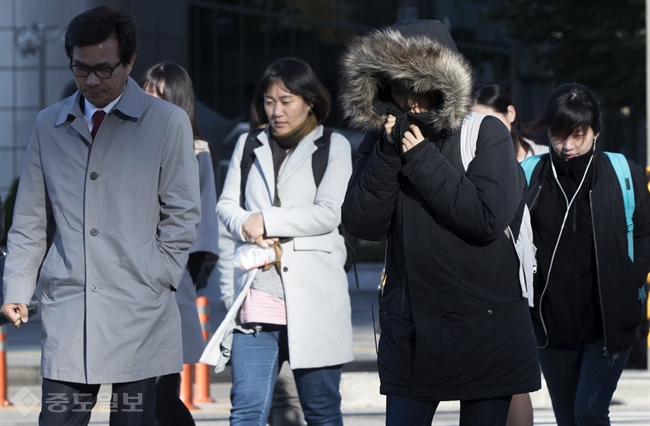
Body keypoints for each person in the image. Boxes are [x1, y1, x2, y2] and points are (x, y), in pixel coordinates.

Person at [1, 6, 201, 426]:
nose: (91, 80)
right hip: (70, 309)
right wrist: (18, 286)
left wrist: (157, 272)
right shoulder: (48, 124)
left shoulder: (167, 122)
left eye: (104, 69)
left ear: (129, 61)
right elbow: (31, 218)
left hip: (139, 310)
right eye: (81, 68)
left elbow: (182, 214)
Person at [339, 20, 541, 425]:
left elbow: (486, 218)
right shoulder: (381, 141)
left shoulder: (485, 132)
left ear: (445, 81)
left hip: (484, 327)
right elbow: (362, 223)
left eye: (420, 84)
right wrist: (388, 154)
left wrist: (423, 160)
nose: (410, 99)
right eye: (399, 85)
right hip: (411, 329)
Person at [201, 57, 354, 425]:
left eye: (287, 101)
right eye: (270, 101)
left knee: (322, 413)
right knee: (247, 413)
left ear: (310, 100)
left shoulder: (334, 146)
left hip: (316, 303)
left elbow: (329, 213)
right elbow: (226, 206)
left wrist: (265, 219)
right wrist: (247, 224)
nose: (277, 111)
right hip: (256, 303)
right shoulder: (248, 143)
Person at [522, 82, 650, 426]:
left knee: (590, 414)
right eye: (558, 134)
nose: (567, 145)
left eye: (578, 134)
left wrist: (633, 276)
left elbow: (644, 230)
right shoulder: (531, 175)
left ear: (596, 129)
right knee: (567, 418)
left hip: (609, 325)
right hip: (550, 327)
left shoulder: (623, 174)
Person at [140, 62, 220, 426]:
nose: (147, 99)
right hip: (128, 285)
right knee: (137, 398)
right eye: (145, 91)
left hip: (167, 283)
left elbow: (201, 228)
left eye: (157, 94)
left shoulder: (196, 151)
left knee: (160, 395)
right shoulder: (127, 143)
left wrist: (177, 277)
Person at [472, 83, 547, 426]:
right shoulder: (470, 160)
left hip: (535, 278)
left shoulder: (542, 158)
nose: (479, 130)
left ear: (510, 114)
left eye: (487, 121)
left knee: (515, 378)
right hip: (492, 278)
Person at [472, 83, 549, 162]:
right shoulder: (472, 163)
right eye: (475, 125)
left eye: (490, 122)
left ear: (510, 113)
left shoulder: (544, 157)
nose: (484, 131)